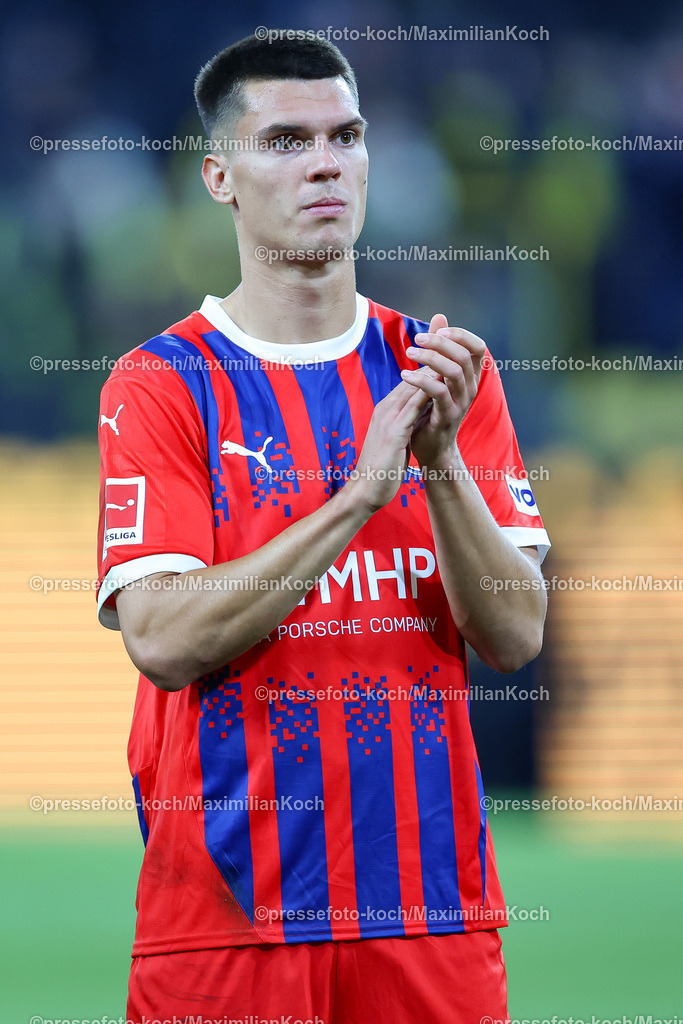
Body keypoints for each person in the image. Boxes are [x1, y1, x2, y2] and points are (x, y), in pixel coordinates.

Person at [96, 33, 550, 1024]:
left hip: (430, 915)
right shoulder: (161, 384)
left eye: (345, 135)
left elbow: (514, 635)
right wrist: (352, 500)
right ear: (219, 174)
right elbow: (164, 640)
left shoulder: (442, 373)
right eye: (285, 140)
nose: (324, 162)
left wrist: (434, 468)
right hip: (226, 925)